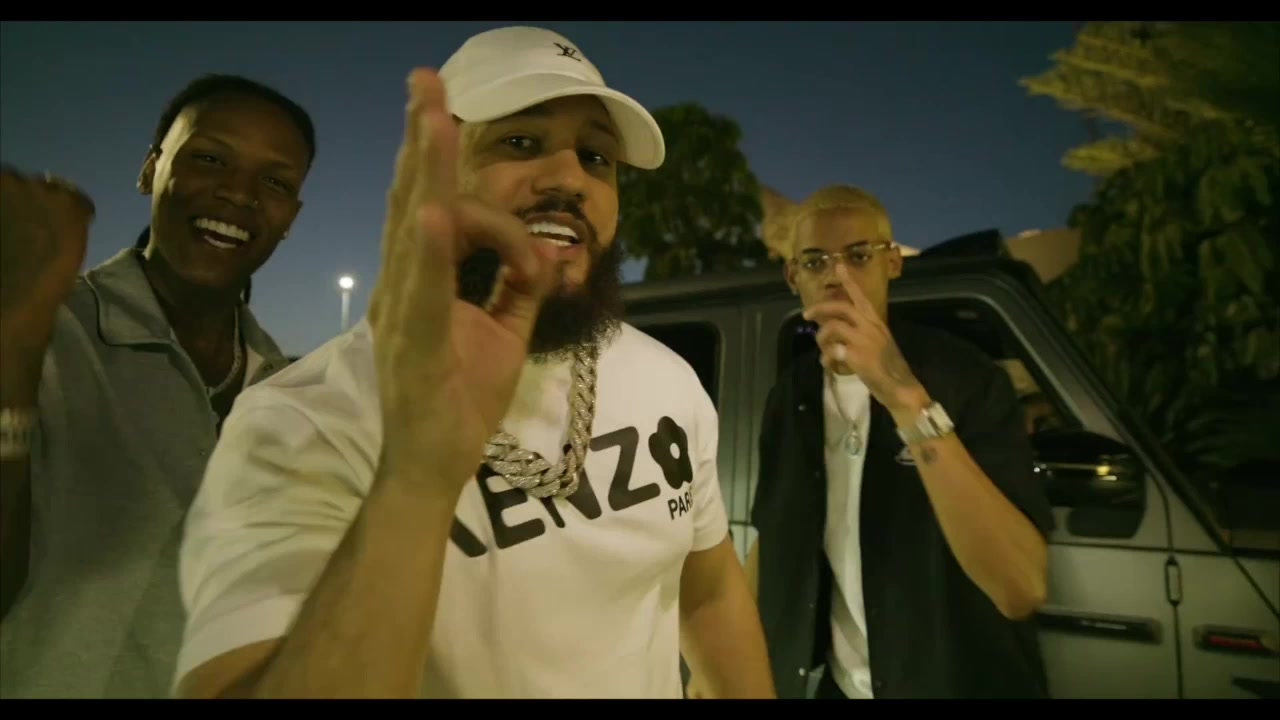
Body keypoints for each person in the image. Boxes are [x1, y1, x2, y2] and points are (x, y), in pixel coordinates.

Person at [171, 26, 775, 700]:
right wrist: (416, 480)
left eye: (596, 157)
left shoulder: (667, 380)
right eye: (520, 142)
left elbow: (708, 590)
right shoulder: (301, 420)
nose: (570, 178)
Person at [0, 74, 315, 698]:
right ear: (150, 170)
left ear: (290, 219)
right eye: (209, 158)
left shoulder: (291, 391)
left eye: (275, 182)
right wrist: (19, 335)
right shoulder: (43, 329)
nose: (239, 193)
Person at [744, 185, 1055, 699]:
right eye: (816, 261)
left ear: (892, 263)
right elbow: (773, 537)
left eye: (858, 256)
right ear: (793, 275)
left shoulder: (967, 378)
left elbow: (1020, 588)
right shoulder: (791, 394)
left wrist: (905, 398)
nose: (837, 276)